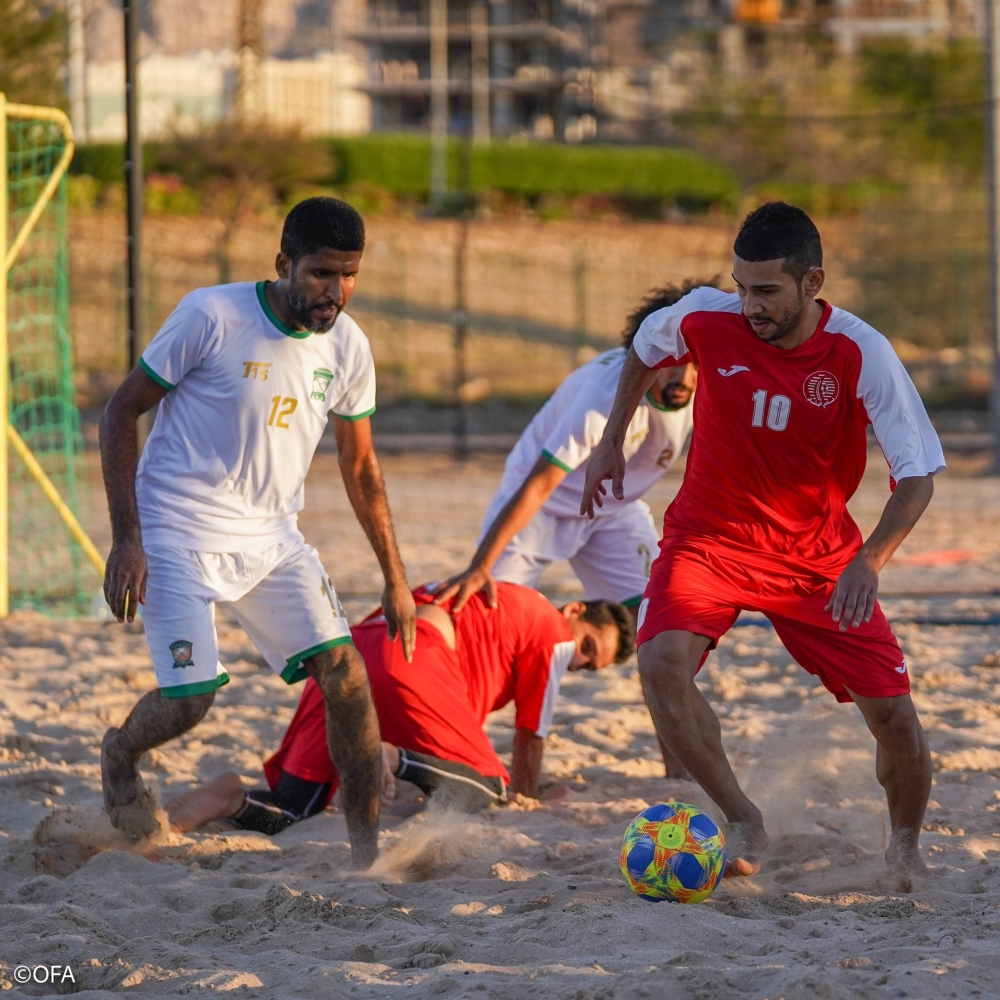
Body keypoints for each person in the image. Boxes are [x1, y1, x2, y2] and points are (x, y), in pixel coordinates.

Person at [581, 202, 944, 878]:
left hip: (819, 558)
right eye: (742, 286)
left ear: (813, 283)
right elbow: (643, 349)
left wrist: (869, 561)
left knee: (895, 717)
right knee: (658, 664)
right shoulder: (706, 315)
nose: (749, 305)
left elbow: (917, 479)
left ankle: (904, 848)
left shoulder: (861, 351)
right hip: (709, 539)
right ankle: (743, 818)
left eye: (768, 291)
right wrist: (609, 443)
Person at [99, 197, 416, 869]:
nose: (336, 293)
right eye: (321, 275)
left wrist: (396, 577)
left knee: (347, 675)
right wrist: (127, 539)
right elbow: (120, 411)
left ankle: (366, 859)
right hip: (174, 530)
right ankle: (120, 752)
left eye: (349, 276)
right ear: (284, 264)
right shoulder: (211, 315)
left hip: (273, 539)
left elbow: (360, 466)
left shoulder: (350, 347)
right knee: (192, 700)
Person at [165, 583, 635, 833]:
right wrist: (525, 797)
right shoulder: (552, 630)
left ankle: (227, 797)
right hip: (415, 660)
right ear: (573, 612)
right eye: (589, 647)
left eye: (591, 667)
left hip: (355, 645)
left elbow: (448, 733)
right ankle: (390, 758)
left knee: (295, 808)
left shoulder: (508, 608)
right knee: (490, 789)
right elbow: (531, 736)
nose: (579, 663)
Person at [436, 283, 703, 616]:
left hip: (613, 512)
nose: (685, 377)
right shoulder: (601, 400)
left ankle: (586, 640)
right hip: (542, 506)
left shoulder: (705, 389)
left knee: (656, 617)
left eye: (694, 364)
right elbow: (539, 485)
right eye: (674, 362)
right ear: (649, 354)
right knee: (491, 617)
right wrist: (480, 565)